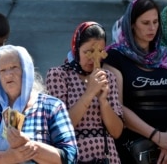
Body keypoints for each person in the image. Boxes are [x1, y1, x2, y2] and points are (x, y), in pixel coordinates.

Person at [0, 45, 78, 164]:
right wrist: (8, 157)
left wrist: (29, 146)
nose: (8, 74)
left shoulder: (52, 107)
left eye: (14, 67)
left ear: (26, 70)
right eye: (2, 70)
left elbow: (70, 157)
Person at [103, 0, 167, 163]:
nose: (152, 28)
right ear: (132, 24)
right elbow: (117, 106)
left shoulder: (166, 57)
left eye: (155, 22)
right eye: (145, 23)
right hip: (132, 147)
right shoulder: (115, 56)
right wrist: (157, 136)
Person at [46, 21, 124, 164]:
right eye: (87, 52)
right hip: (76, 156)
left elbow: (117, 132)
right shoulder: (59, 75)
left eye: (100, 51)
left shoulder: (107, 77)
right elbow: (59, 128)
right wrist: (89, 94)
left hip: (107, 156)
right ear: (76, 49)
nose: (93, 58)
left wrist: (103, 102)